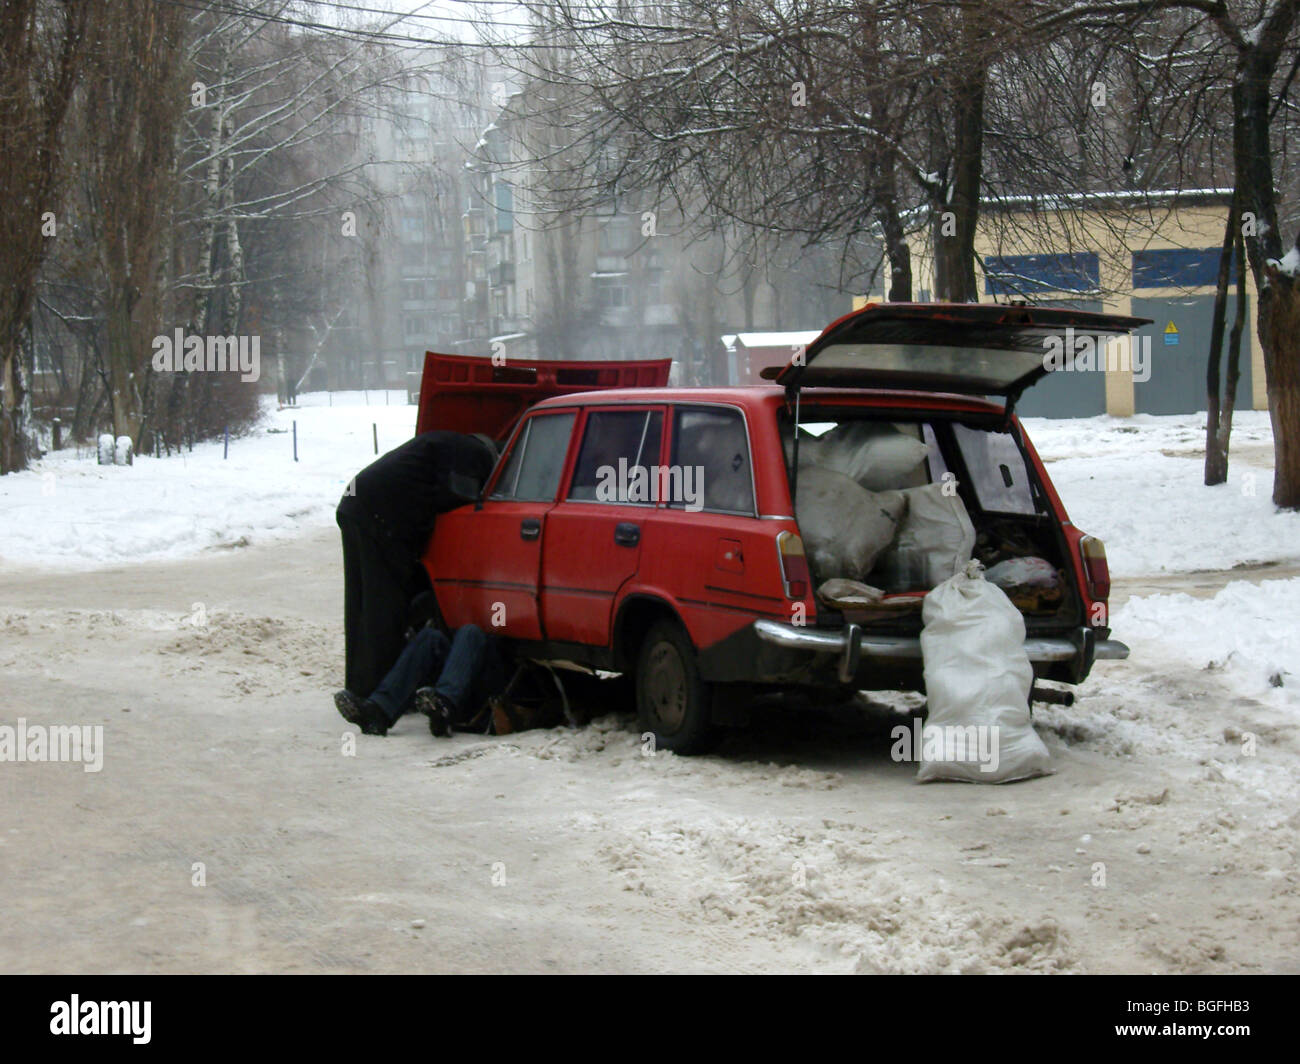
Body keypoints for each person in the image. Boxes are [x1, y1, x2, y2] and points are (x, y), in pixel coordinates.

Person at [336, 431, 497, 700]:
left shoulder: (446, 443)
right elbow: (461, 498)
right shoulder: (474, 455)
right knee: (385, 604)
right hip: (381, 517)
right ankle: (379, 687)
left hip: (356, 505)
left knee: (361, 601)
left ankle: (360, 684)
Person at [334, 623, 505, 738]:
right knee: (430, 638)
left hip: (503, 669)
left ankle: (444, 707)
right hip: (466, 663)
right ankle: (379, 712)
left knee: (470, 632)